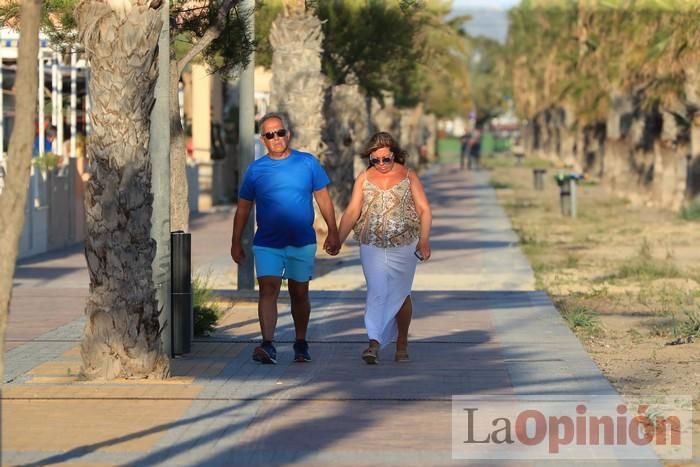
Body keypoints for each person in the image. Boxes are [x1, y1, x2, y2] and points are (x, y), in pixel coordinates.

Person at [230, 112, 340, 364]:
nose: (276, 138)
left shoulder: (307, 163)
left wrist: (333, 231)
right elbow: (244, 208)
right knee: (268, 290)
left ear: (287, 134)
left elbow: (323, 198)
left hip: (302, 240)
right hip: (267, 242)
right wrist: (236, 241)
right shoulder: (256, 170)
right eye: (270, 135)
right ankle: (267, 344)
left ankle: (301, 342)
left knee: (299, 292)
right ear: (263, 140)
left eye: (280, 132)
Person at [337, 132, 432, 364]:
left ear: (395, 155)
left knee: (401, 294)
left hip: (405, 244)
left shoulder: (409, 176)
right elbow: (352, 212)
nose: (381, 164)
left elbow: (424, 210)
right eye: (375, 160)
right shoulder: (363, 178)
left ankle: (402, 341)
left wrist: (424, 240)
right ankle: (374, 343)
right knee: (377, 290)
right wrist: (337, 240)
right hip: (372, 243)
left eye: (386, 159)